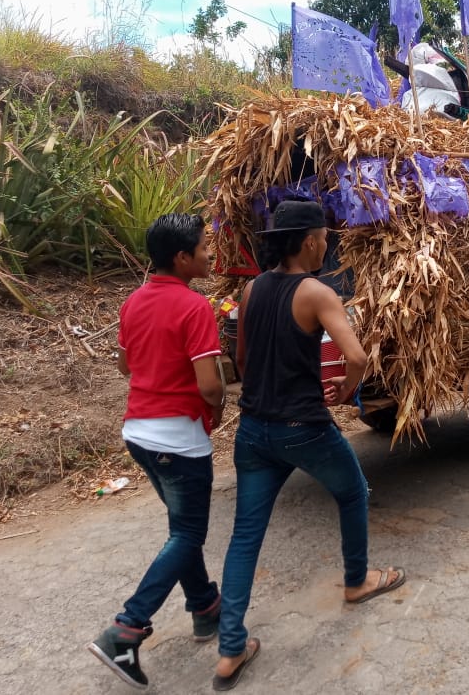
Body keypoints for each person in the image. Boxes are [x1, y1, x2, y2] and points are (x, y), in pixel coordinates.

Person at [213, 200, 405, 691]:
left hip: (254, 429)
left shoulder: (252, 289)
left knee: (246, 536)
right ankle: (358, 581)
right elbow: (357, 356)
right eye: (323, 237)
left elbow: (241, 356)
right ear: (308, 242)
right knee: (353, 492)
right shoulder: (317, 292)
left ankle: (231, 649)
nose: (327, 244)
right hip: (305, 428)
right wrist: (347, 387)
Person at [88, 213, 226, 690]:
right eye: (205, 248)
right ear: (182, 258)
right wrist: (221, 403)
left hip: (139, 434)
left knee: (180, 529)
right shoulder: (194, 307)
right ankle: (125, 631)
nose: (210, 255)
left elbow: (126, 363)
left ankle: (206, 606)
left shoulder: (133, 302)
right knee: (188, 534)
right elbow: (209, 385)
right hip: (178, 440)